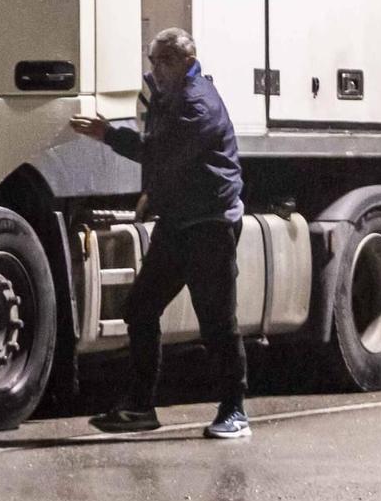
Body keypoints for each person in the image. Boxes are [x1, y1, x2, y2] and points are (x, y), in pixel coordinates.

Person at [70, 27, 250, 439]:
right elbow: (165, 159)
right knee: (140, 308)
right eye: (152, 60)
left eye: (164, 60)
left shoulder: (197, 103)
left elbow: (163, 153)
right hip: (179, 222)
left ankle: (234, 411)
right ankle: (140, 407)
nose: (156, 68)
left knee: (218, 323)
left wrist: (108, 135)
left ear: (188, 61)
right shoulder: (167, 97)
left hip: (210, 224)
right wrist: (154, 194)